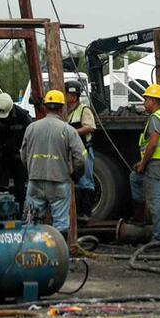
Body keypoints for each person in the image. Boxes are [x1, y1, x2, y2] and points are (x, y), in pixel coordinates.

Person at [19, 90, 86, 234]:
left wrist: (32, 170)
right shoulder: (68, 130)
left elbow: (23, 155)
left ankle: (31, 247)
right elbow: (81, 158)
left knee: (31, 222)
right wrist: (76, 175)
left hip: (35, 181)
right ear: (62, 108)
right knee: (60, 224)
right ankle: (58, 247)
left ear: (45, 107)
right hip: (59, 182)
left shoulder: (31, 128)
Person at [128, 83, 160, 243]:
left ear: (154, 101)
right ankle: (140, 216)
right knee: (135, 178)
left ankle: (159, 237)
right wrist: (141, 163)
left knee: (155, 200)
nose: (144, 103)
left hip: (156, 163)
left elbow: (153, 144)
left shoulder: (156, 118)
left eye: (146, 99)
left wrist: (143, 164)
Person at [0, 92, 33, 206]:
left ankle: (19, 209)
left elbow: (32, 132)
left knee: (20, 188)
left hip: (17, 157)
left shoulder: (22, 115)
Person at [65, 80, 97, 222]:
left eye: (67, 94)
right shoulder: (66, 111)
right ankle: (77, 214)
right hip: (71, 152)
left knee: (85, 181)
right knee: (76, 181)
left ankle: (85, 214)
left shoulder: (84, 110)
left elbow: (91, 127)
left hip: (83, 150)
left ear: (73, 96)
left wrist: (73, 132)